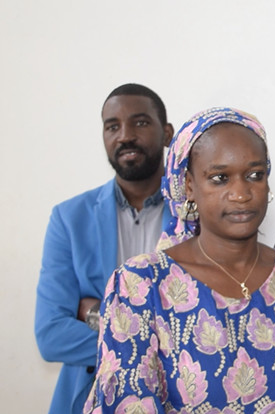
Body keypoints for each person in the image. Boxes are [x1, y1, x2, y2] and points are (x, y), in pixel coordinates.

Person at [84, 108, 275, 412]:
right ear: (189, 185)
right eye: (220, 178)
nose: (241, 193)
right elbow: (127, 403)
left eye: (255, 175)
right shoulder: (140, 286)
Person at [35, 83, 174, 414]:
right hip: (88, 397)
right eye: (112, 126)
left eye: (140, 122)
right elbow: (51, 334)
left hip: (178, 401)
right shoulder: (70, 219)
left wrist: (96, 315)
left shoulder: (195, 213)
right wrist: (152, 342)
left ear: (167, 133)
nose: (124, 135)